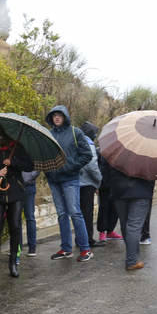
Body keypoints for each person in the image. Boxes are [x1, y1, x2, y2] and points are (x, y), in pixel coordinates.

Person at [0, 124, 34, 278]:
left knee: (15, 227)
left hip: (16, 193)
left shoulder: (17, 148)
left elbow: (30, 166)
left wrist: (13, 162)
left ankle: (13, 263)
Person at [45, 105, 93, 262]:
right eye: (54, 115)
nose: (57, 117)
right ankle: (66, 249)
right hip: (54, 180)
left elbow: (86, 155)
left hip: (70, 179)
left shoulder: (75, 132)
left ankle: (85, 249)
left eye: (59, 115)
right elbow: (44, 156)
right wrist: (48, 171)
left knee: (75, 213)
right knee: (61, 214)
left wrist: (69, 167)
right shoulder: (49, 134)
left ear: (65, 116)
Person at [101, 157, 153, 271]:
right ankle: (132, 261)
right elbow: (153, 169)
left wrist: (112, 184)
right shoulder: (146, 148)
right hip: (141, 189)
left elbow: (104, 169)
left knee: (125, 225)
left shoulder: (114, 146)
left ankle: (133, 255)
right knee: (134, 226)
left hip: (118, 190)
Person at [79, 122, 103, 248]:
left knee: (79, 214)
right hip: (87, 183)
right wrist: (99, 181)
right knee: (87, 213)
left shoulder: (76, 141)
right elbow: (92, 165)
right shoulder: (88, 144)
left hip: (75, 183)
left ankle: (80, 239)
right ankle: (88, 240)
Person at [21, 169, 39, 256]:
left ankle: (32, 247)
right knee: (15, 218)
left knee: (30, 217)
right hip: (15, 187)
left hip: (29, 186)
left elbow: (38, 167)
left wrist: (28, 178)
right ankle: (17, 247)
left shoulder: (34, 155)